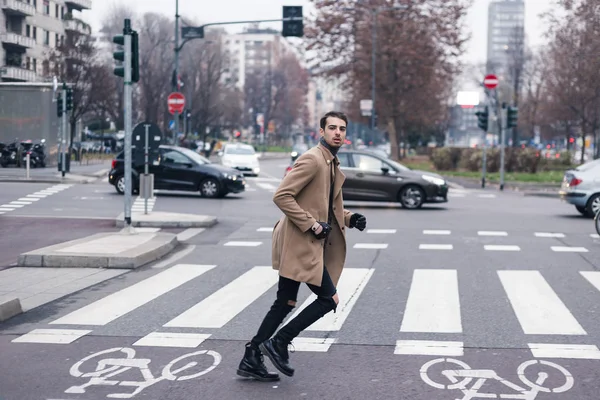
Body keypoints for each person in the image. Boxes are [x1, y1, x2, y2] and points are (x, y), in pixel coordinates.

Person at [236, 111, 367, 381]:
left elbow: (325, 206)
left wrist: (350, 218)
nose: (338, 133)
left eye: (342, 128)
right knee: (329, 299)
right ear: (321, 132)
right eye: (332, 128)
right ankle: (280, 342)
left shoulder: (331, 163)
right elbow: (282, 196)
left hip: (303, 242)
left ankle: (251, 356)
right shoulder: (312, 159)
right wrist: (313, 225)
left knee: (284, 303)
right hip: (300, 242)